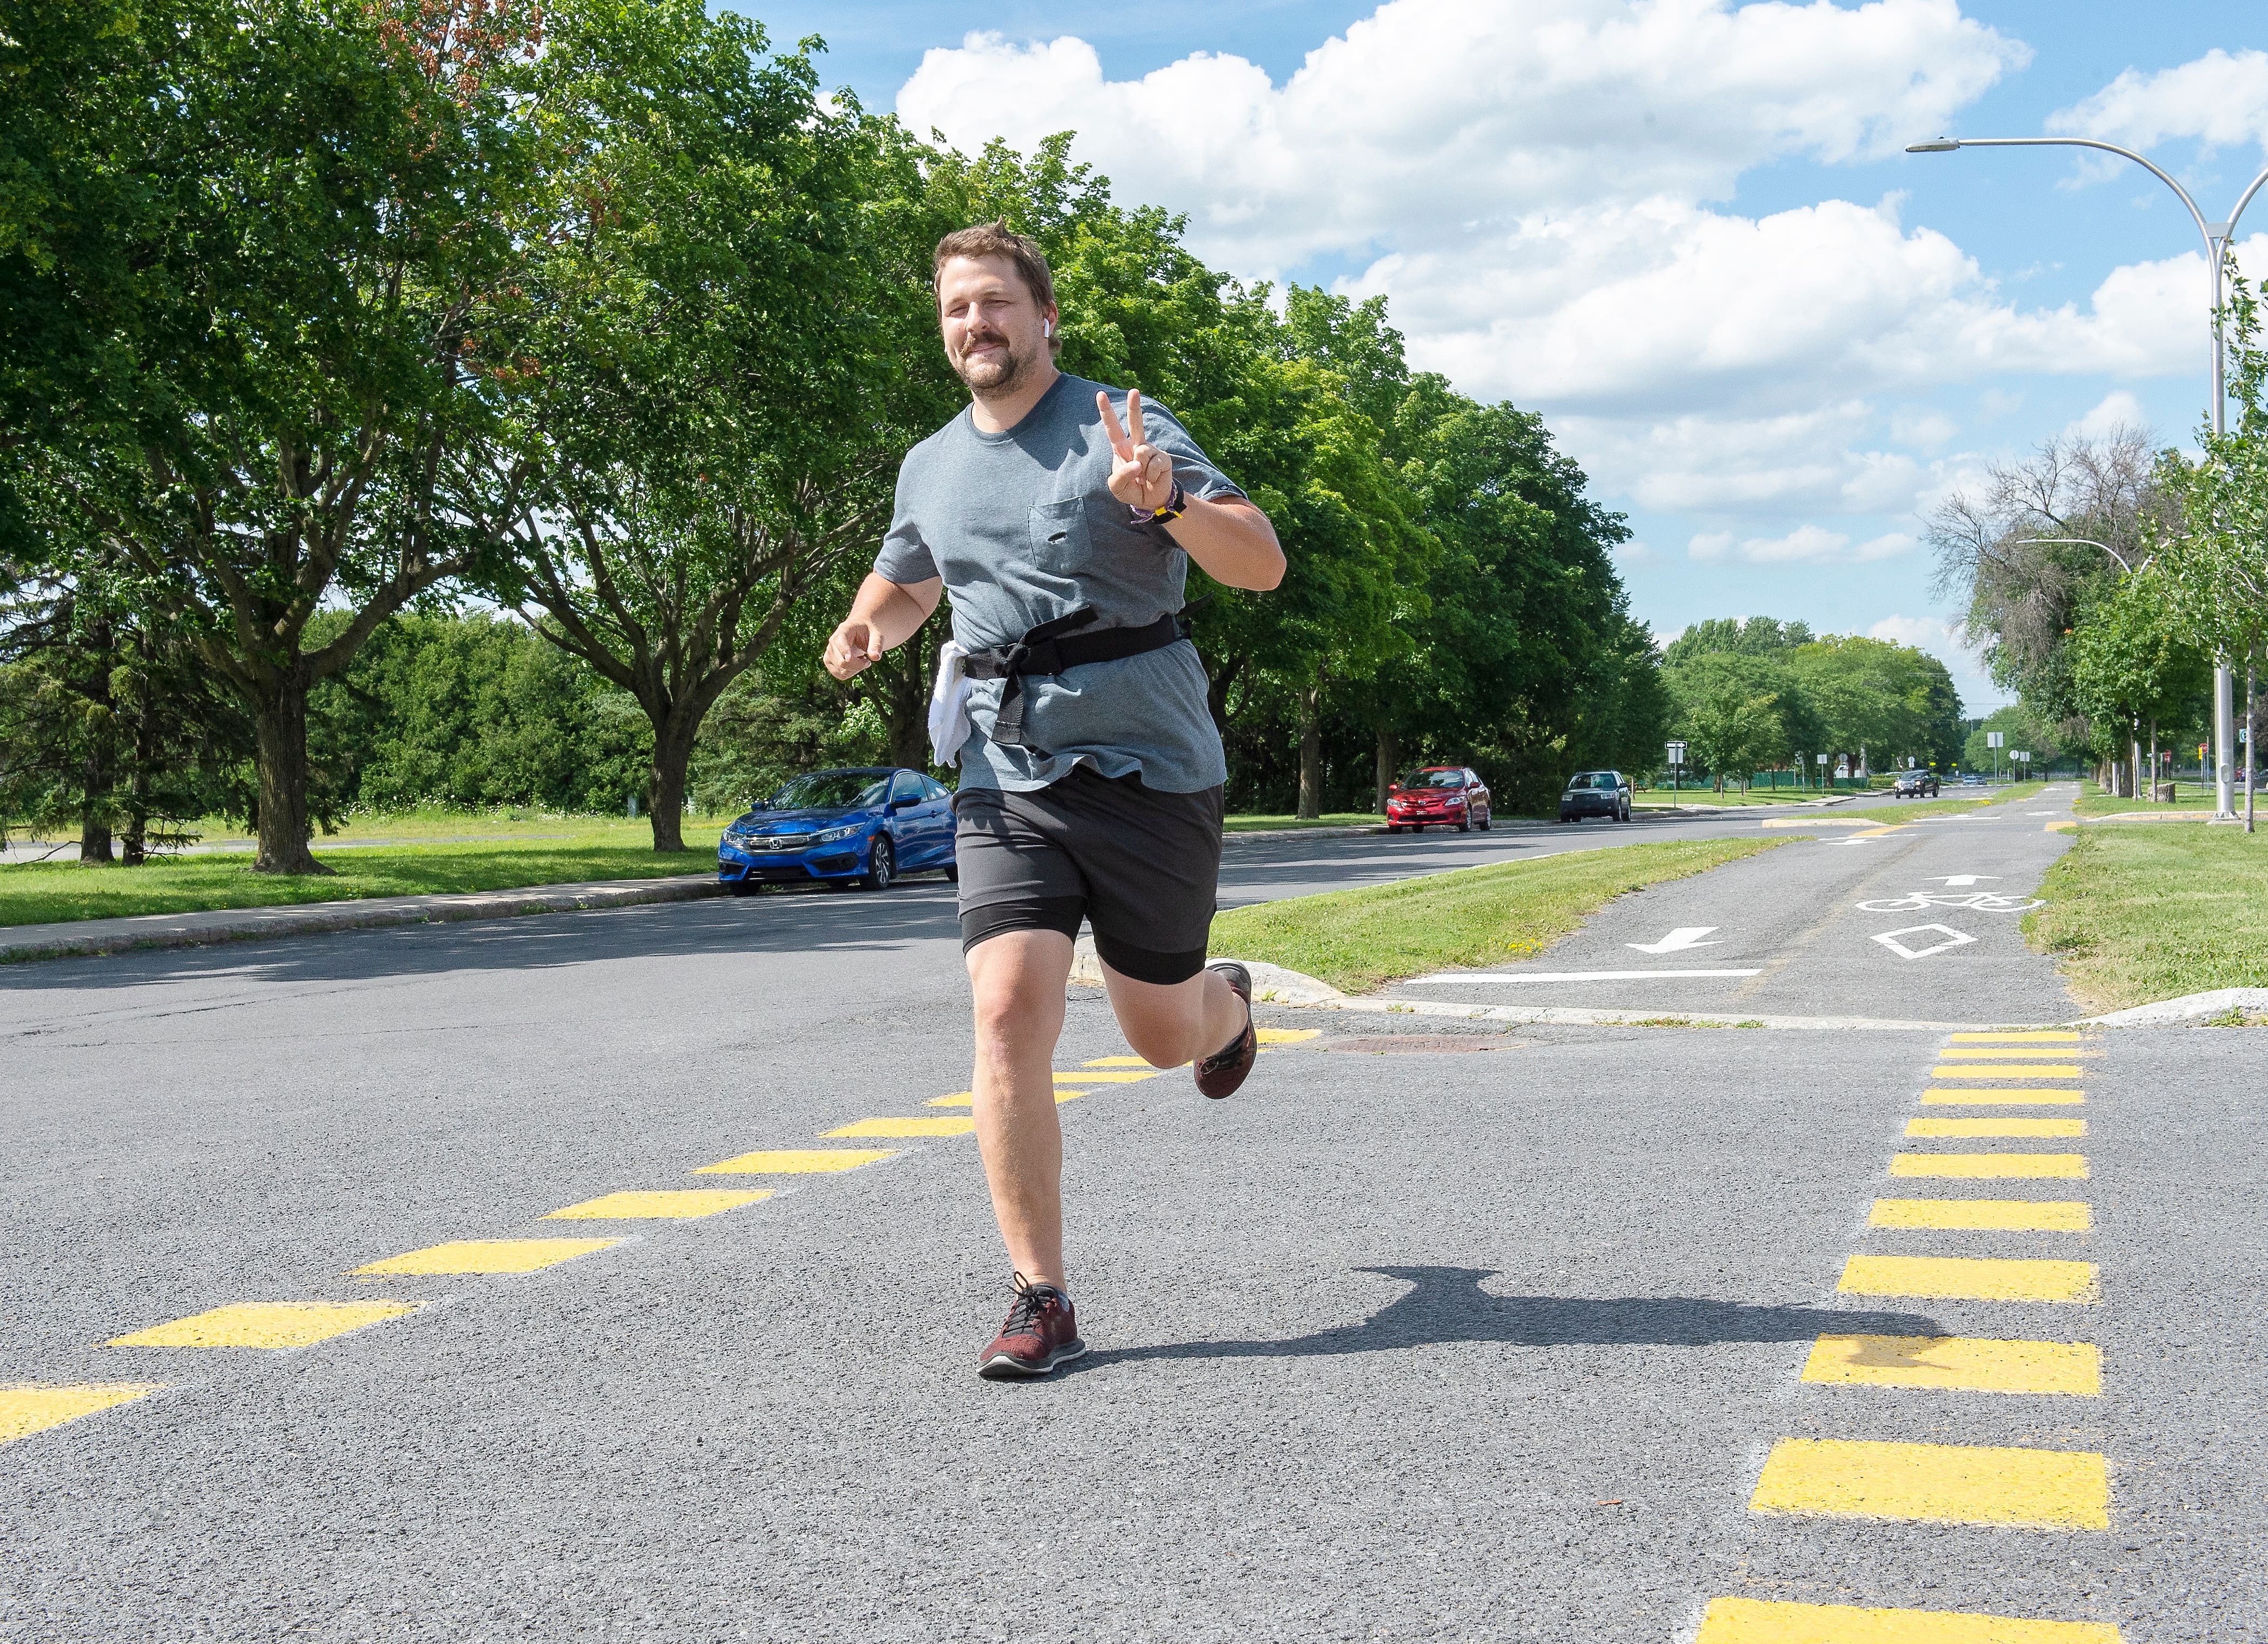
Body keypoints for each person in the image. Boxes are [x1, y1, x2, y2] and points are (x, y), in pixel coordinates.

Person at [824, 222, 1285, 1380]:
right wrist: (867, 625)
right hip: (1006, 773)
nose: (971, 325)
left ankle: (1223, 1007)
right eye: (954, 310)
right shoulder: (929, 462)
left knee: (1155, 1034)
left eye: (992, 304)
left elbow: (1260, 564)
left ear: (1042, 318)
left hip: (1150, 771)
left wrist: (1168, 503)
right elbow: (910, 571)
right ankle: (1042, 1295)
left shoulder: (1121, 424)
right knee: (1004, 1012)